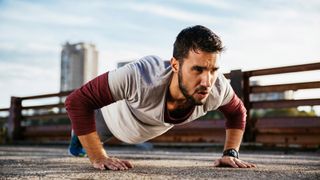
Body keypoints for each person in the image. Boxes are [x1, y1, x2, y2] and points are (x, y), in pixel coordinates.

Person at [65, 25, 256, 170]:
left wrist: (230, 152)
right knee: (81, 146)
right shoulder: (141, 75)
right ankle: (78, 138)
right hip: (110, 119)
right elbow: (76, 101)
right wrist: (98, 156)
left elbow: (237, 113)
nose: (207, 81)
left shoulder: (217, 87)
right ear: (175, 65)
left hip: (145, 128)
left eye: (213, 70)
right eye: (197, 69)